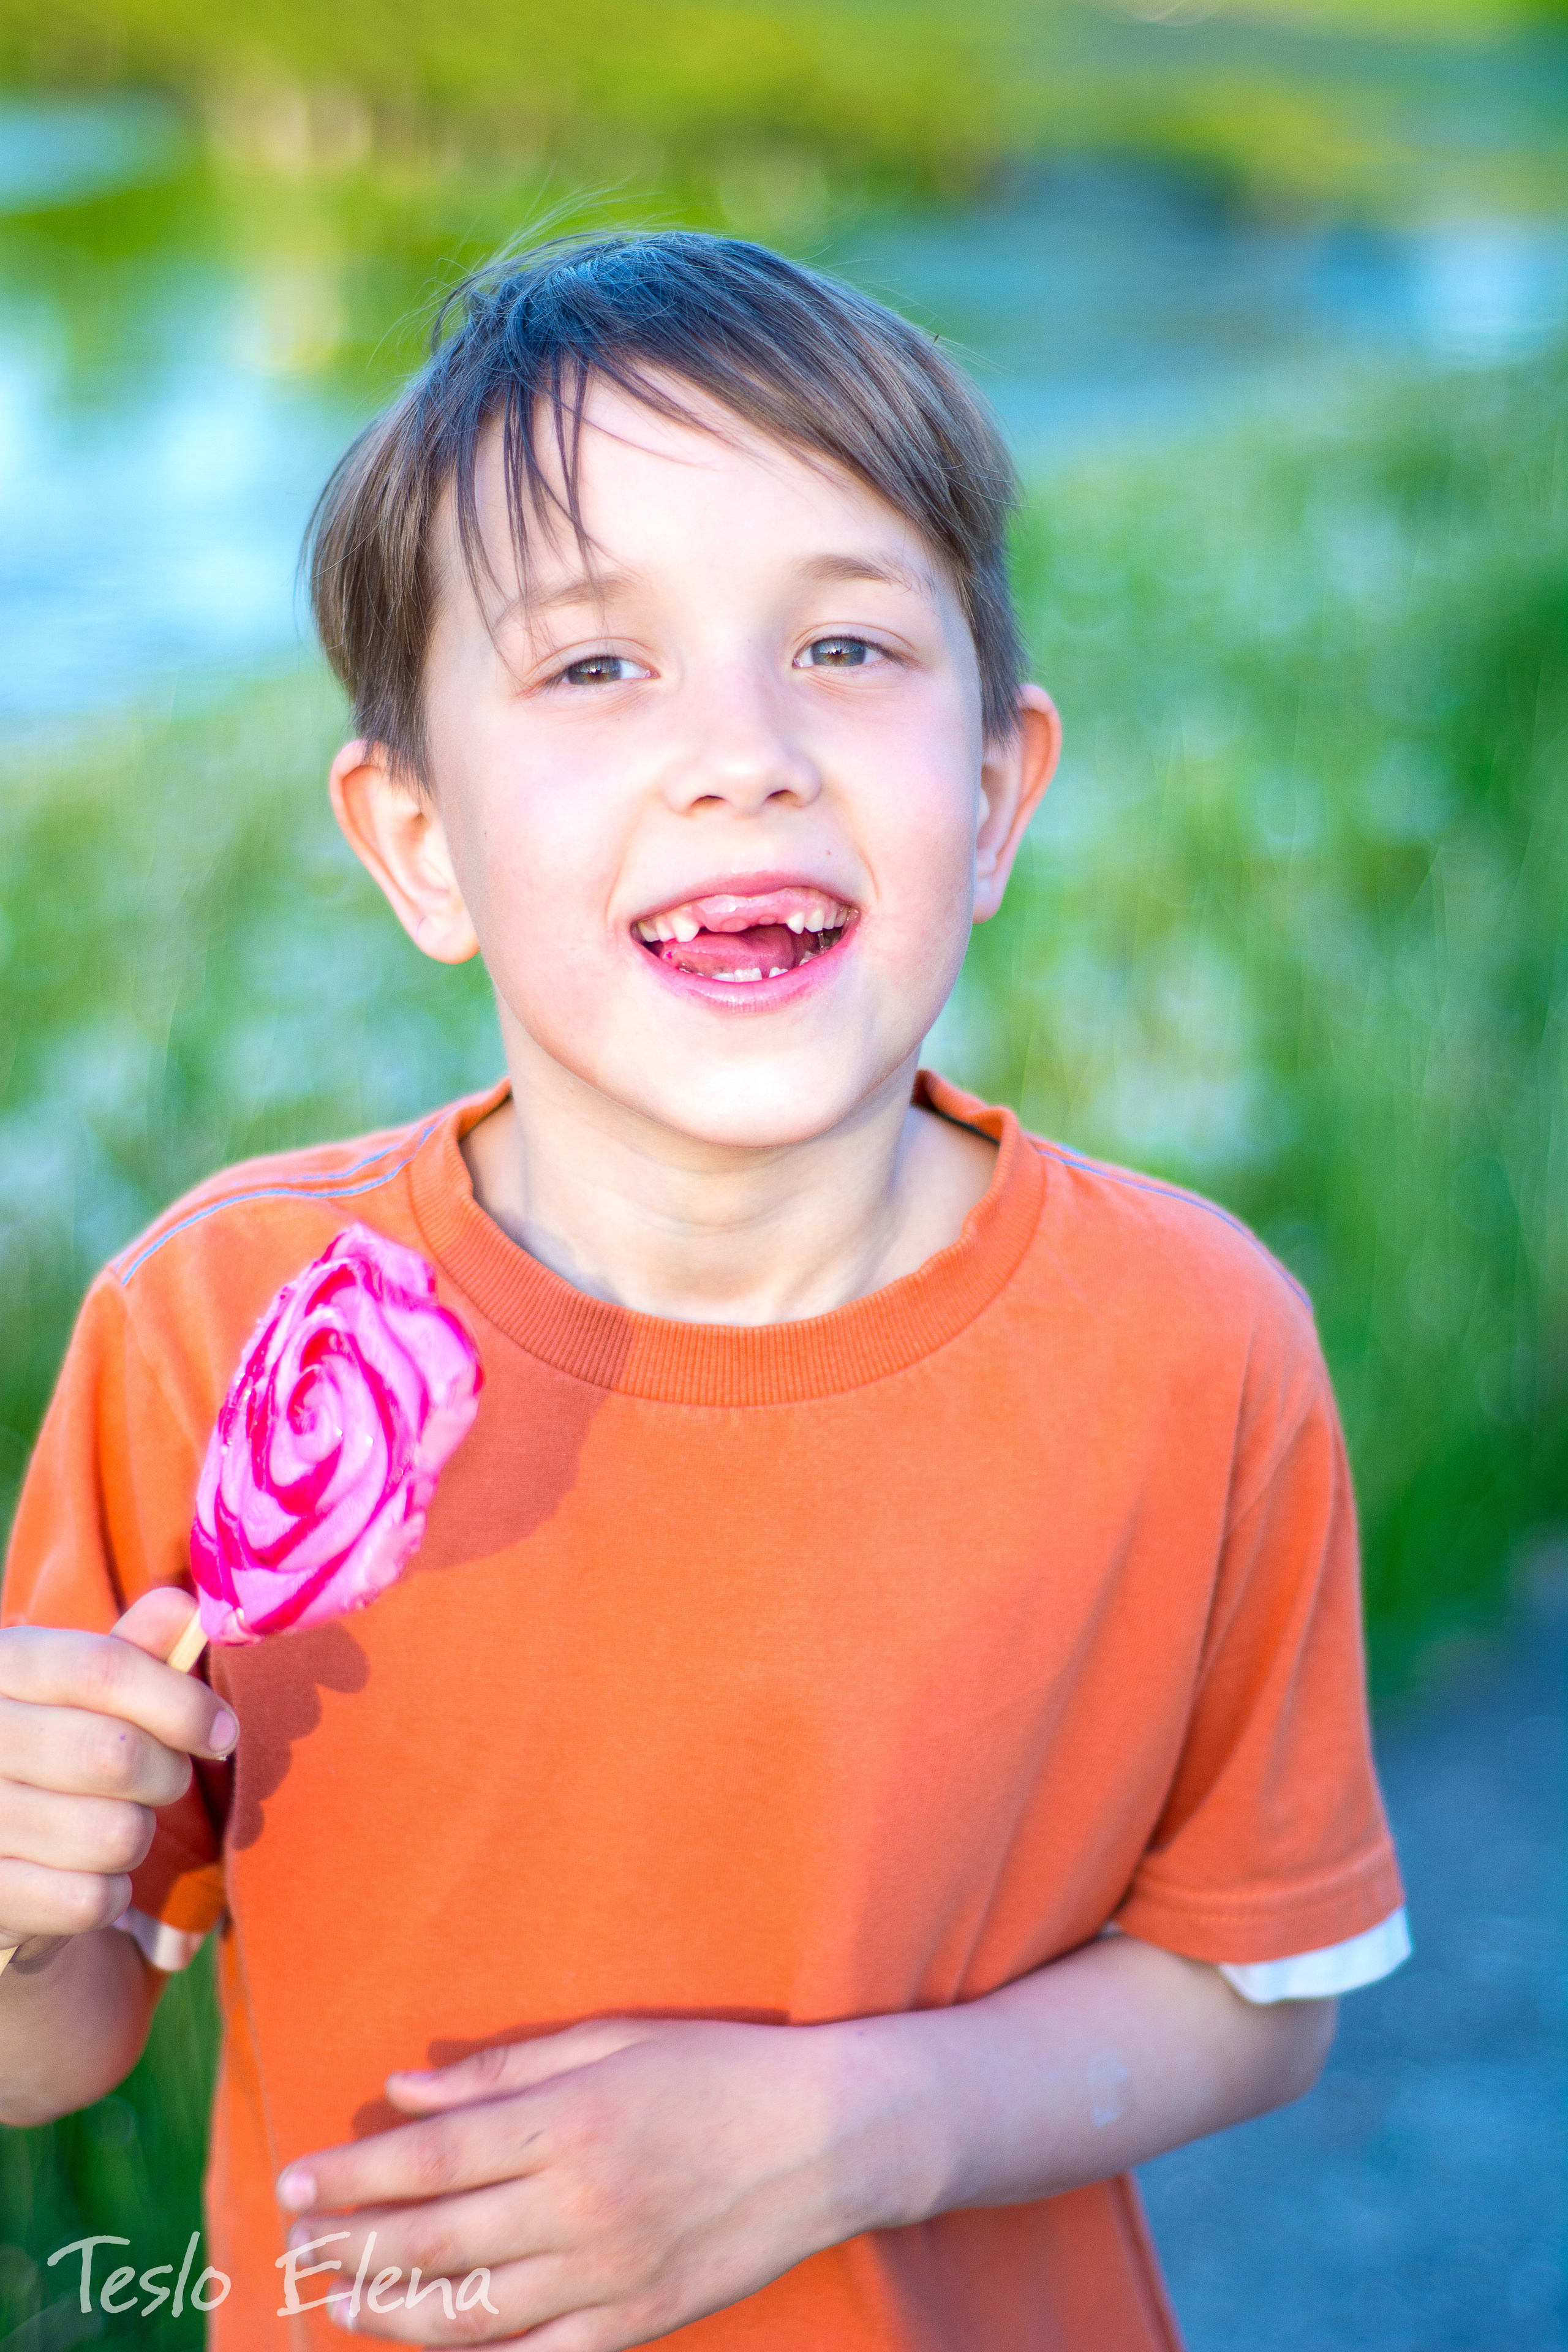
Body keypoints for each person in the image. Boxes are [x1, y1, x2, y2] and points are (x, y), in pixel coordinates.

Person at [0, 232, 1408, 2352]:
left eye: (846, 649)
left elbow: (1259, 1989)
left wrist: (853, 2129)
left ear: (1001, 793)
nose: (741, 751)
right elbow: (63, 2036)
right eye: (594, 668)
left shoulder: (1191, 1347)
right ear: (418, 845)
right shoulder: (206, 1329)